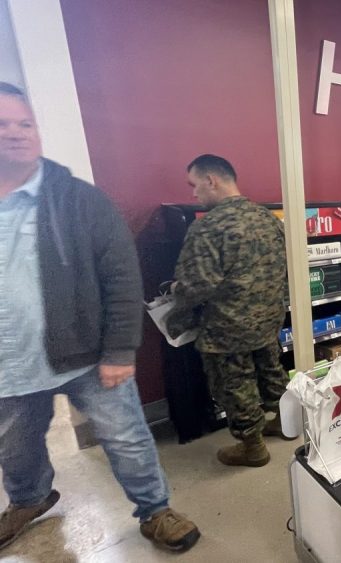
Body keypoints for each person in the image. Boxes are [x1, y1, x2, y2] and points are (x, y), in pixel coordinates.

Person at [0, 82, 199, 552]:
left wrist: (118, 348)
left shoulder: (79, 200)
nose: (16, 133)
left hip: (89, 355)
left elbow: (121, 275)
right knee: (15, 448)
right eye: (2, 124)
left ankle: (155, 509)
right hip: (9, 365)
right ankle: (28, 500)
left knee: (127, 439)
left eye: (24, 123)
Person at [167, 155, 289, 467]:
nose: (194, 194)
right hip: (269, 317)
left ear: (212, 181)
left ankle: (252, 447)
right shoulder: (267, 218)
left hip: (228, 326)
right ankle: (284, 421)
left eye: (195, 186)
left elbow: (197, 284)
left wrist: (175, 306)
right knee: (272, 370)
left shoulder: (208, 227)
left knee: (235, 383)